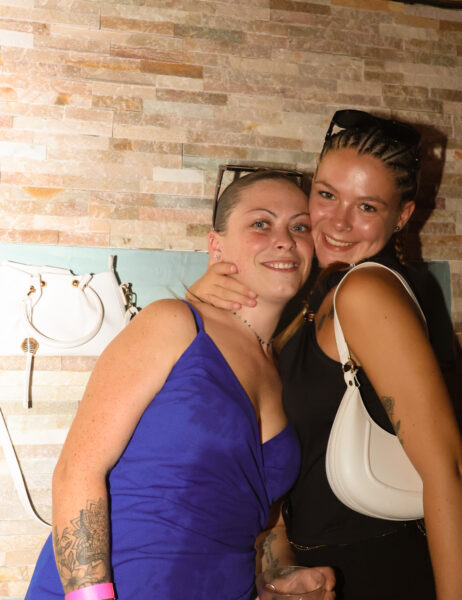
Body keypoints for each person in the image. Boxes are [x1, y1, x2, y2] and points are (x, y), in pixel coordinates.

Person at [188, 110, 462, 600]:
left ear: (402, 216)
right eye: (326, 195)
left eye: (366, 206)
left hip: (384, 573)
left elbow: (448, 473)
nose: (339, 221)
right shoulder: (311, 299)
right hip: (319, 576)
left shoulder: (366, 292)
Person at [25, 170, 334, 600]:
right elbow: (77, 472)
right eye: (261, 223)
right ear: (216, 246)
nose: (284, 240)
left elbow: (261, 521)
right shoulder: (175, 323)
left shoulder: (282, 371)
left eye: (299, 227)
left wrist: (278, 578)